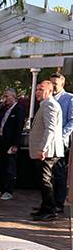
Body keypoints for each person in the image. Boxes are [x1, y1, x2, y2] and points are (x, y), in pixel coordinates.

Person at [29, 80, 64, 222]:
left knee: (45, 181)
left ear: (50, 91)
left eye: (41, 89)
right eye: (37, 89)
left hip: (47, 151)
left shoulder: (50, 105)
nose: (37, 92)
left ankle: (50, 210)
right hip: (45, 150)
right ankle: (45, 208)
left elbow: (50, 130)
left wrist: (42, 149)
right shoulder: (45, 104)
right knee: (43, 180)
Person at [0, 88, 26, 200]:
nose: (5, 99)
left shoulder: (19, 110)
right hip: (0, 142)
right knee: (1, 167)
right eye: (4, 96)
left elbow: (18, 129)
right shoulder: (3, 109)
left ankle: (9, 190)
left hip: (10, 143)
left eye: (7, 96)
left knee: (10, 167)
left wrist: (15, 145)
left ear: (14, 97)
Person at [50, 73, 73, 211]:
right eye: (51, 83)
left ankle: (58, 203)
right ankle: (47, 202)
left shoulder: (69, 98)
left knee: (58, 173)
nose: (53, 86)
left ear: (62, 84)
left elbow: (72, 121)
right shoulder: (48, 98)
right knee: (47, 174)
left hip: (60, 142)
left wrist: (61, 135)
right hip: (47, 142)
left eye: (56, 84)